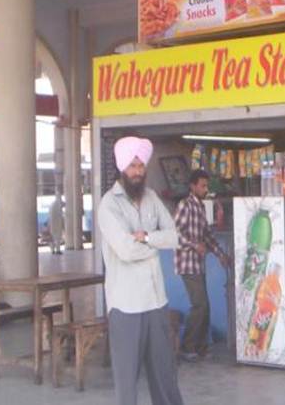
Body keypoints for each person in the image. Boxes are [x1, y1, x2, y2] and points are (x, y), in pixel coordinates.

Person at [98, 136, 184, 405]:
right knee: (127, 383)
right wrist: (155, 244)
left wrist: (146, 238)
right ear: (122, 167)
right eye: (133, 166)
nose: (138, 171)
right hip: (126, 306)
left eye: (141, 165)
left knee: (165, 377)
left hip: (156, 301)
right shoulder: (108, 205)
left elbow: (174, 236)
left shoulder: (151, 197)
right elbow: (125, 250)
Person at [174, 169, 231, 362]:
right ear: (193, 186)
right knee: (200, 305)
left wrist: (220, 255)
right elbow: (175, 234)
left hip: (198, 264)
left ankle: (200, 347)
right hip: (187, 264)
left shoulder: (200, 207)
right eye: (203, 185)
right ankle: (188, 346)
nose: (206, 189)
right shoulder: (185, 205)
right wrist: (194, 245)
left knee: (204, 306)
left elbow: (207, 235)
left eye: (206, 186)